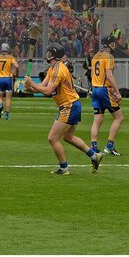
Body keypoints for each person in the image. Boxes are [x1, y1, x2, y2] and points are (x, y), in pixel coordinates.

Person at [24, 43, 103, 175]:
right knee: (68, 137)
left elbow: (48, 91)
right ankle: (94, 156)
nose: (47, 54)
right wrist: (30, 88)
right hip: (72, 104)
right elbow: (42, 88)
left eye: (49, 52)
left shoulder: (59, 70)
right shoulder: (52, 69)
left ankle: (64, 168)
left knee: (52, 138)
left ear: (53, 55)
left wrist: (32, 84)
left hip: (69, 106)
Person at [89, 35, 124, 156]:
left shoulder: (95, 56)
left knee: (97, 120)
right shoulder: (109, 56)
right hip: (104, 90)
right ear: (111, 44)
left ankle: (93, 147)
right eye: (114, 43)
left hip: (95, 89)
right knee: (119, 118)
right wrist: (117, 92)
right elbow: (109, 75)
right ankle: (110, 146)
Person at [0, 43, 19, 120]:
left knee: (0, 97)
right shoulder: (10, 57)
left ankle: (0, 107)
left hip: (0, 78)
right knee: (8, 98)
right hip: (8, 78)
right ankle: (6, 115)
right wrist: (15, 73)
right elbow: (17, 66)